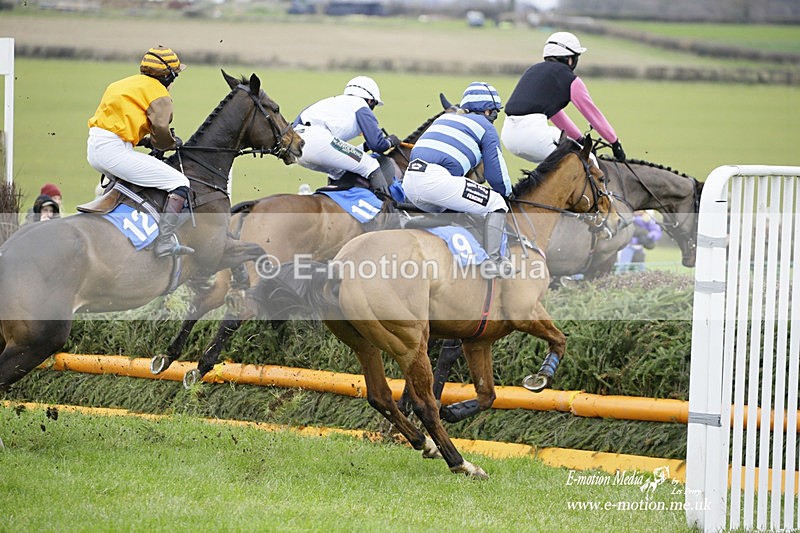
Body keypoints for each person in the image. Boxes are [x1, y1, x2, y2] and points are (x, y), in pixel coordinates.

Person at [86, 45, 193, 258]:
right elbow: (161, 131)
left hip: (95, 148)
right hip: (115, 153)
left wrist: (145, 141)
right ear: (168, 76)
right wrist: (171, 143)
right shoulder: (159, 94)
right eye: (175, 75)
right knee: (180, 183)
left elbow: (119, 126)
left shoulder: (121, 84)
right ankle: (164, 242)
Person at [402, 81, 514, 278]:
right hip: (436, 182)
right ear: (488, 111)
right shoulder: (486, 128)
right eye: (495, 112)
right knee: (496, 203)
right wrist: (508, 195)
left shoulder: (444, 118)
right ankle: (494, 262)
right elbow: (496, 176)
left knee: (455, 210)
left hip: (409, 182)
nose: (494, 117)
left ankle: (414, 222)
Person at [501, 31, 626, 164]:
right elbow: (592, 114)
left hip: (508, 137)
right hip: (534, 136)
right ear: (569, 59)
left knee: (552, 169)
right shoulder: (570, 79)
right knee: (589, 160)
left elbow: (556, 116)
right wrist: (614, 142)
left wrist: (579, 139)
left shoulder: (532, 70)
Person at [291, 76, 401, 198]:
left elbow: (342, 150)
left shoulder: (333, 103)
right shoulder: (360, 105)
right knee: (371, 165)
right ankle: (386, 206)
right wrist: (390, 141)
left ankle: (336, 202)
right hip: (317, 140)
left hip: (296, 148)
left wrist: (365, 146)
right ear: (370, 100)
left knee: (339, 171)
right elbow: (378, 145)